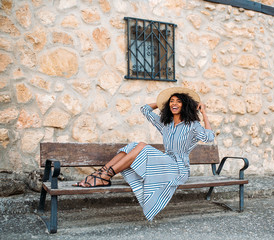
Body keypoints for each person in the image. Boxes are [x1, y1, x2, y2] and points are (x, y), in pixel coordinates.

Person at [74, 87, 215, 221]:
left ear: (185, 105)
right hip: (165, 162)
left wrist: (203, 113)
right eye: (172, 101)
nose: (174, 104)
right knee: (135, 145)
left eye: (178, 101)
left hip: (178, 168)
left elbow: (209, 137)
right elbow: (145, 109)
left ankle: (106, 176)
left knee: (142, 146)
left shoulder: (192, 125)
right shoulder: (165, 123)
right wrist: (162, 102)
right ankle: (101, 174)